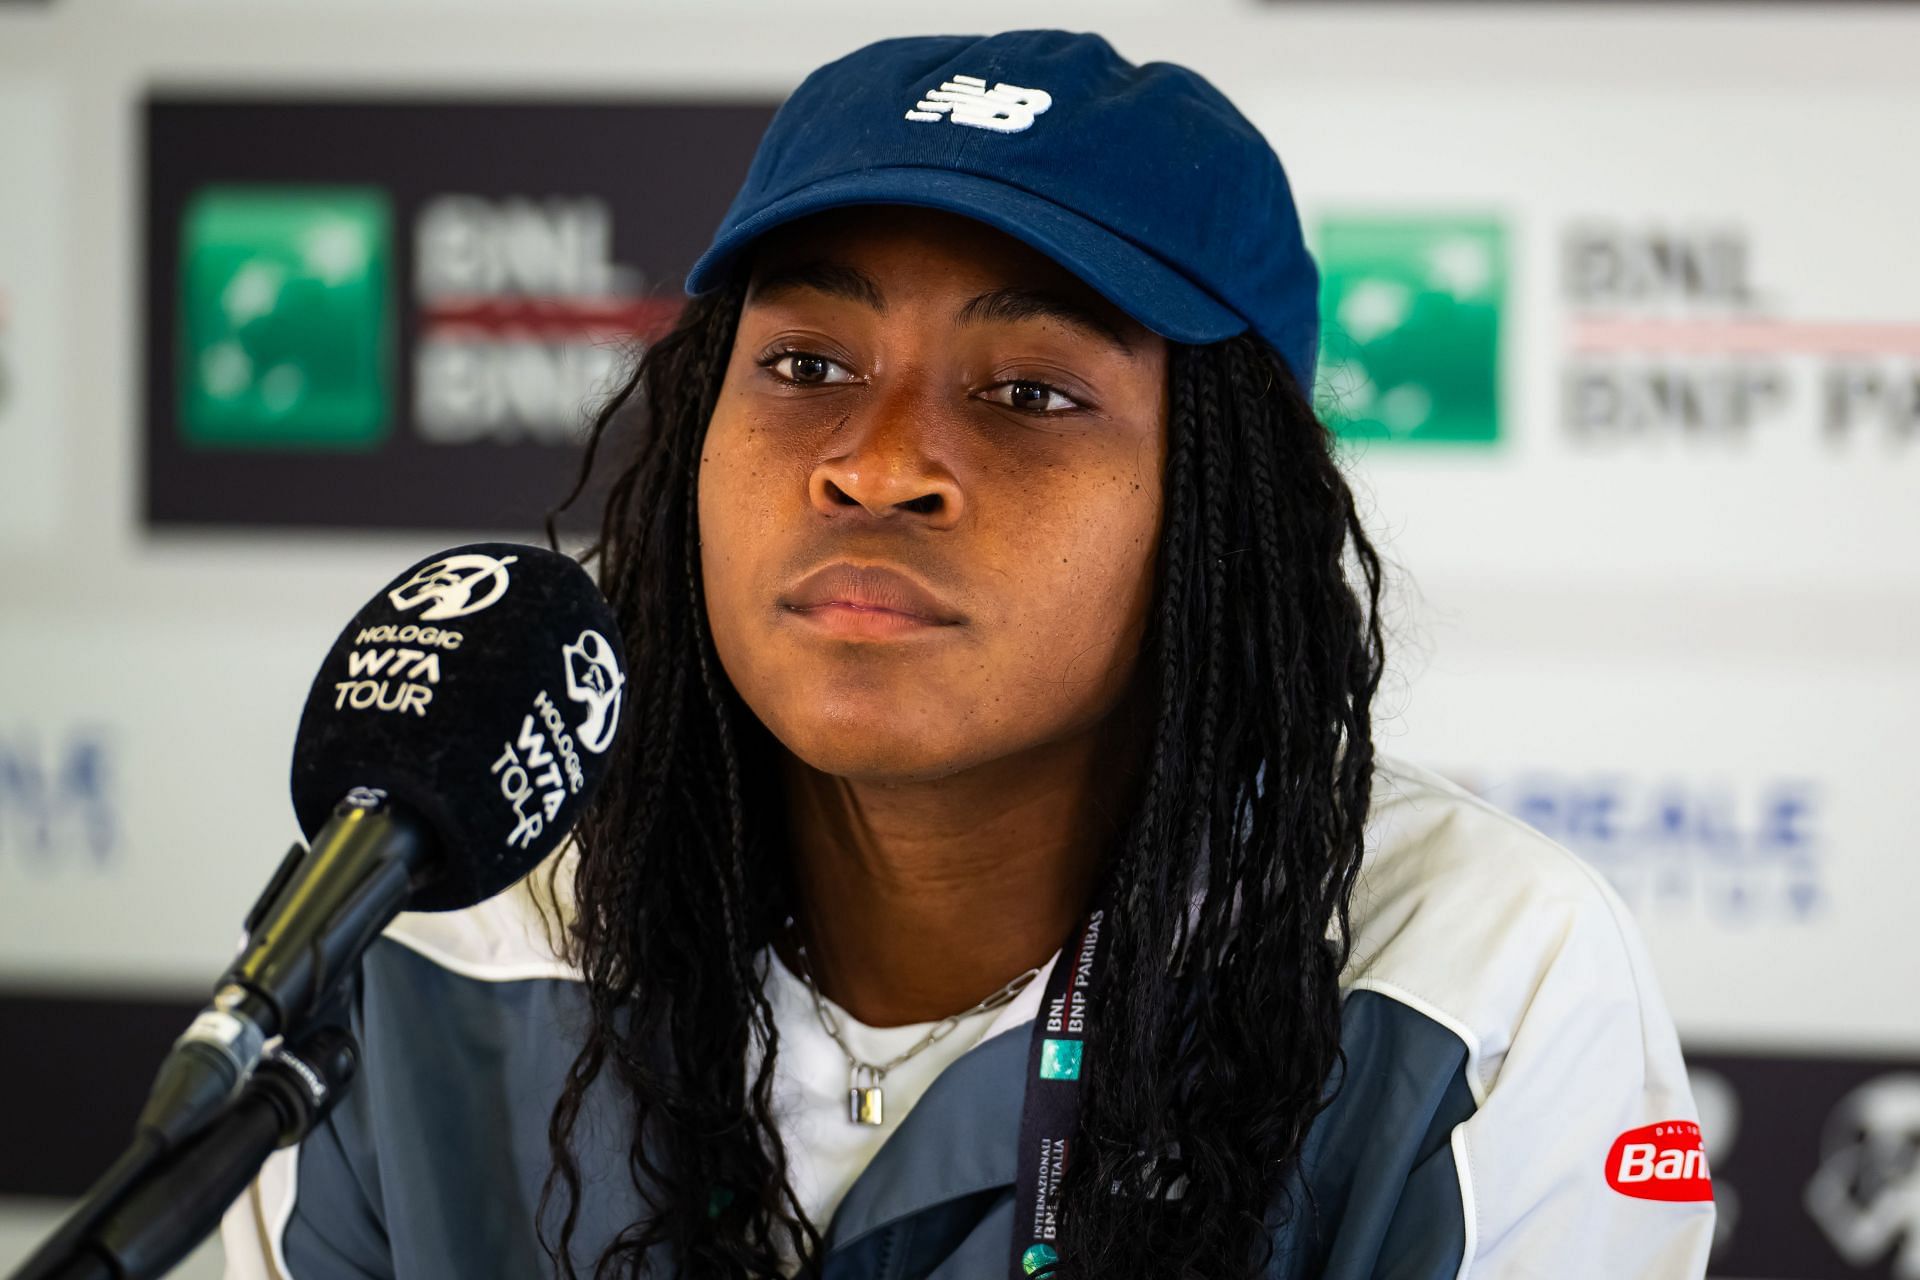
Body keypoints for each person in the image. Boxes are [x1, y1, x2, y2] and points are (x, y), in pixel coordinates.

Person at [222, 29, 1714, 1280]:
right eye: (807, 367)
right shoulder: (435, 933)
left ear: (1221, 506)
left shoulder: (1473, 978)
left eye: (1028, 393)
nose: (878, 466)